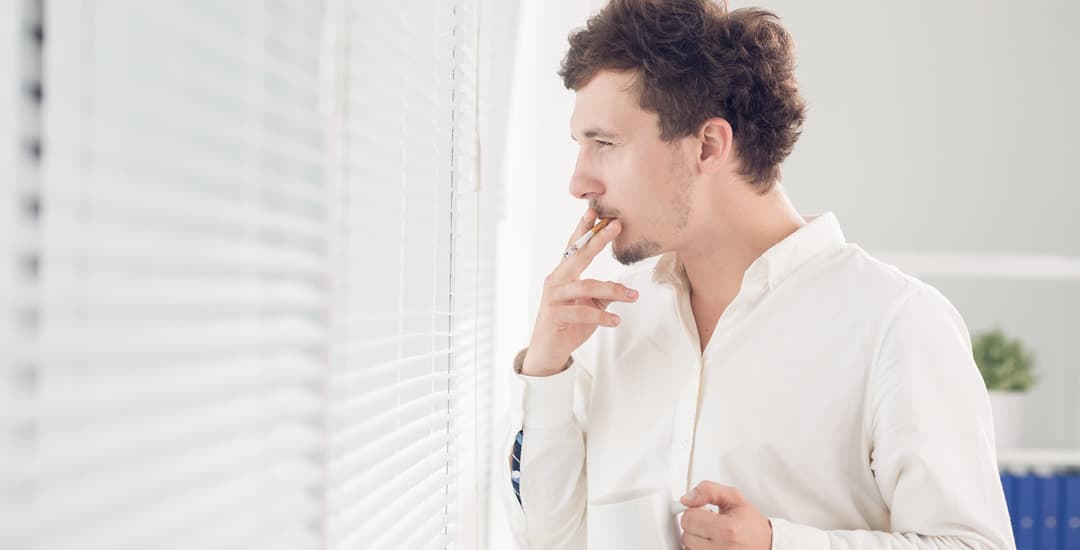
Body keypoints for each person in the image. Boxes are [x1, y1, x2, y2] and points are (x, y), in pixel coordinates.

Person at [502, 0, 1015, 549]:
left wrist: (778, 544)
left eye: (604, 144)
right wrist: (546, 370)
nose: (579, 184)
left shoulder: (897, 322)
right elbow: (551, 540)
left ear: (707, 145)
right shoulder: (609, 324)